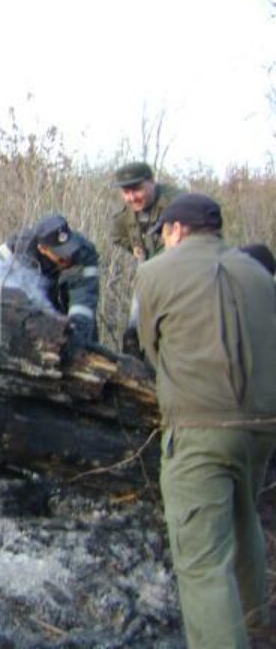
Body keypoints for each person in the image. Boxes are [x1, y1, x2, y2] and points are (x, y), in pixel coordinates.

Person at [135, 193, 276, 648]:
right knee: (243, 519)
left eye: (164, 234)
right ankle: (256, 627)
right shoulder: (258, 272)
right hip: (261, 428)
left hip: (198, 430)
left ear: (175, 230)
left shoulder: (155, 272)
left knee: (202, 562)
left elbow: (150, 347)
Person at [0, 214, 99, 345]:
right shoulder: (15, 252)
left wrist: (78, 333)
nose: (68, 256)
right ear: (43, 249)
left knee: (83, 335)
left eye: (69, 248)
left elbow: (83, 299)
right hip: (33, 317)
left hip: (67, 305)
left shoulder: (83, 252)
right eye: (61, 254)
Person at [109, 161, 182, 262]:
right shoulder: (123, 215)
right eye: (126, 192)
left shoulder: (178, 204)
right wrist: (135, 247)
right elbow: (117, 236)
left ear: (152, 182)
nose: (132, 198)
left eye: (137, 190)